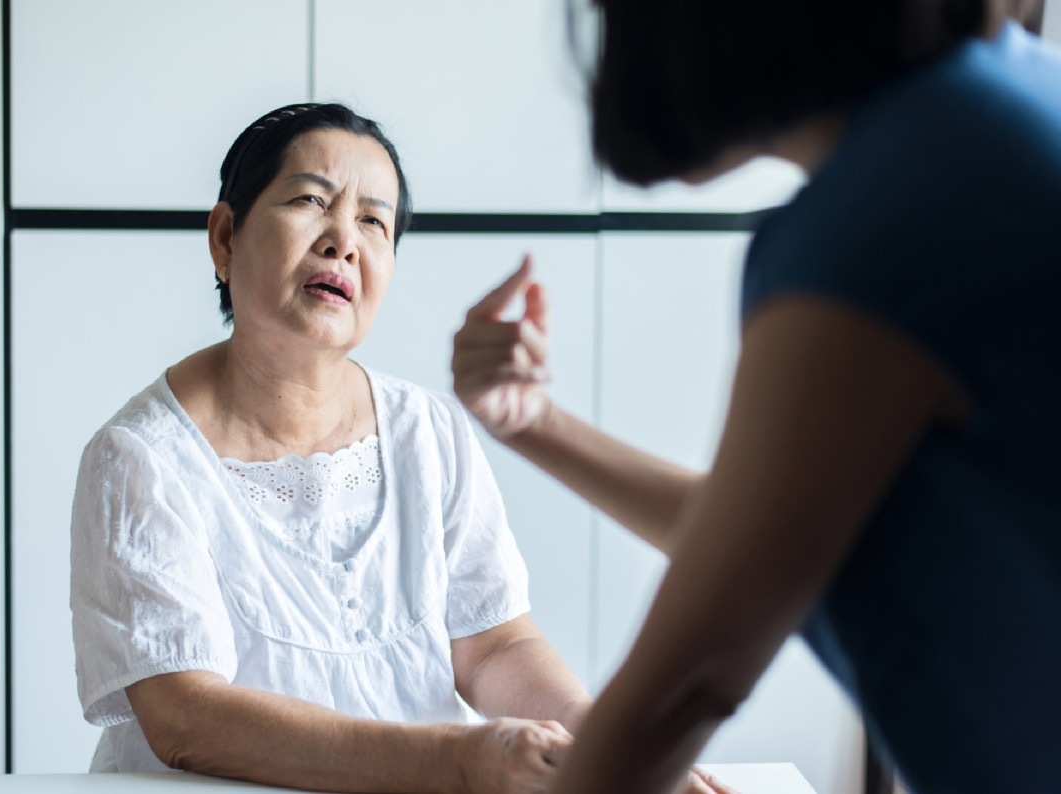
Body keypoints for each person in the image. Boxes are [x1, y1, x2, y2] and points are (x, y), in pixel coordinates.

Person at [451, 1, 1061, 793]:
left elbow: (688, 680)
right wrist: (535, 426)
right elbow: (766, 533)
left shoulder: (884, 215)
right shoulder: (998, 102)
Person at [69, 102, 731, 794]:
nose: (343, 242)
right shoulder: (139, 458)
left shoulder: (429, 431)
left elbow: (496, 645)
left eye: (373, 222)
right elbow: (187, 720)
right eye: (310, 201)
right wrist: (460, 762)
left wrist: (612, 752)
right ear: (226, 236)